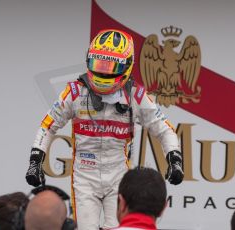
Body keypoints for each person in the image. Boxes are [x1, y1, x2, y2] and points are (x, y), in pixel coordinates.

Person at [26, 29, 184, 229]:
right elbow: (48, 126)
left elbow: (164, 129)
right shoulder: (75, 91)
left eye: (111, 65)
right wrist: (35, 161)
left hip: (118, 176)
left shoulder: (136, 95)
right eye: (99, 64)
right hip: (85, 176)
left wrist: (174, 159)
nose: (104, 71)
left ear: (127, 65)